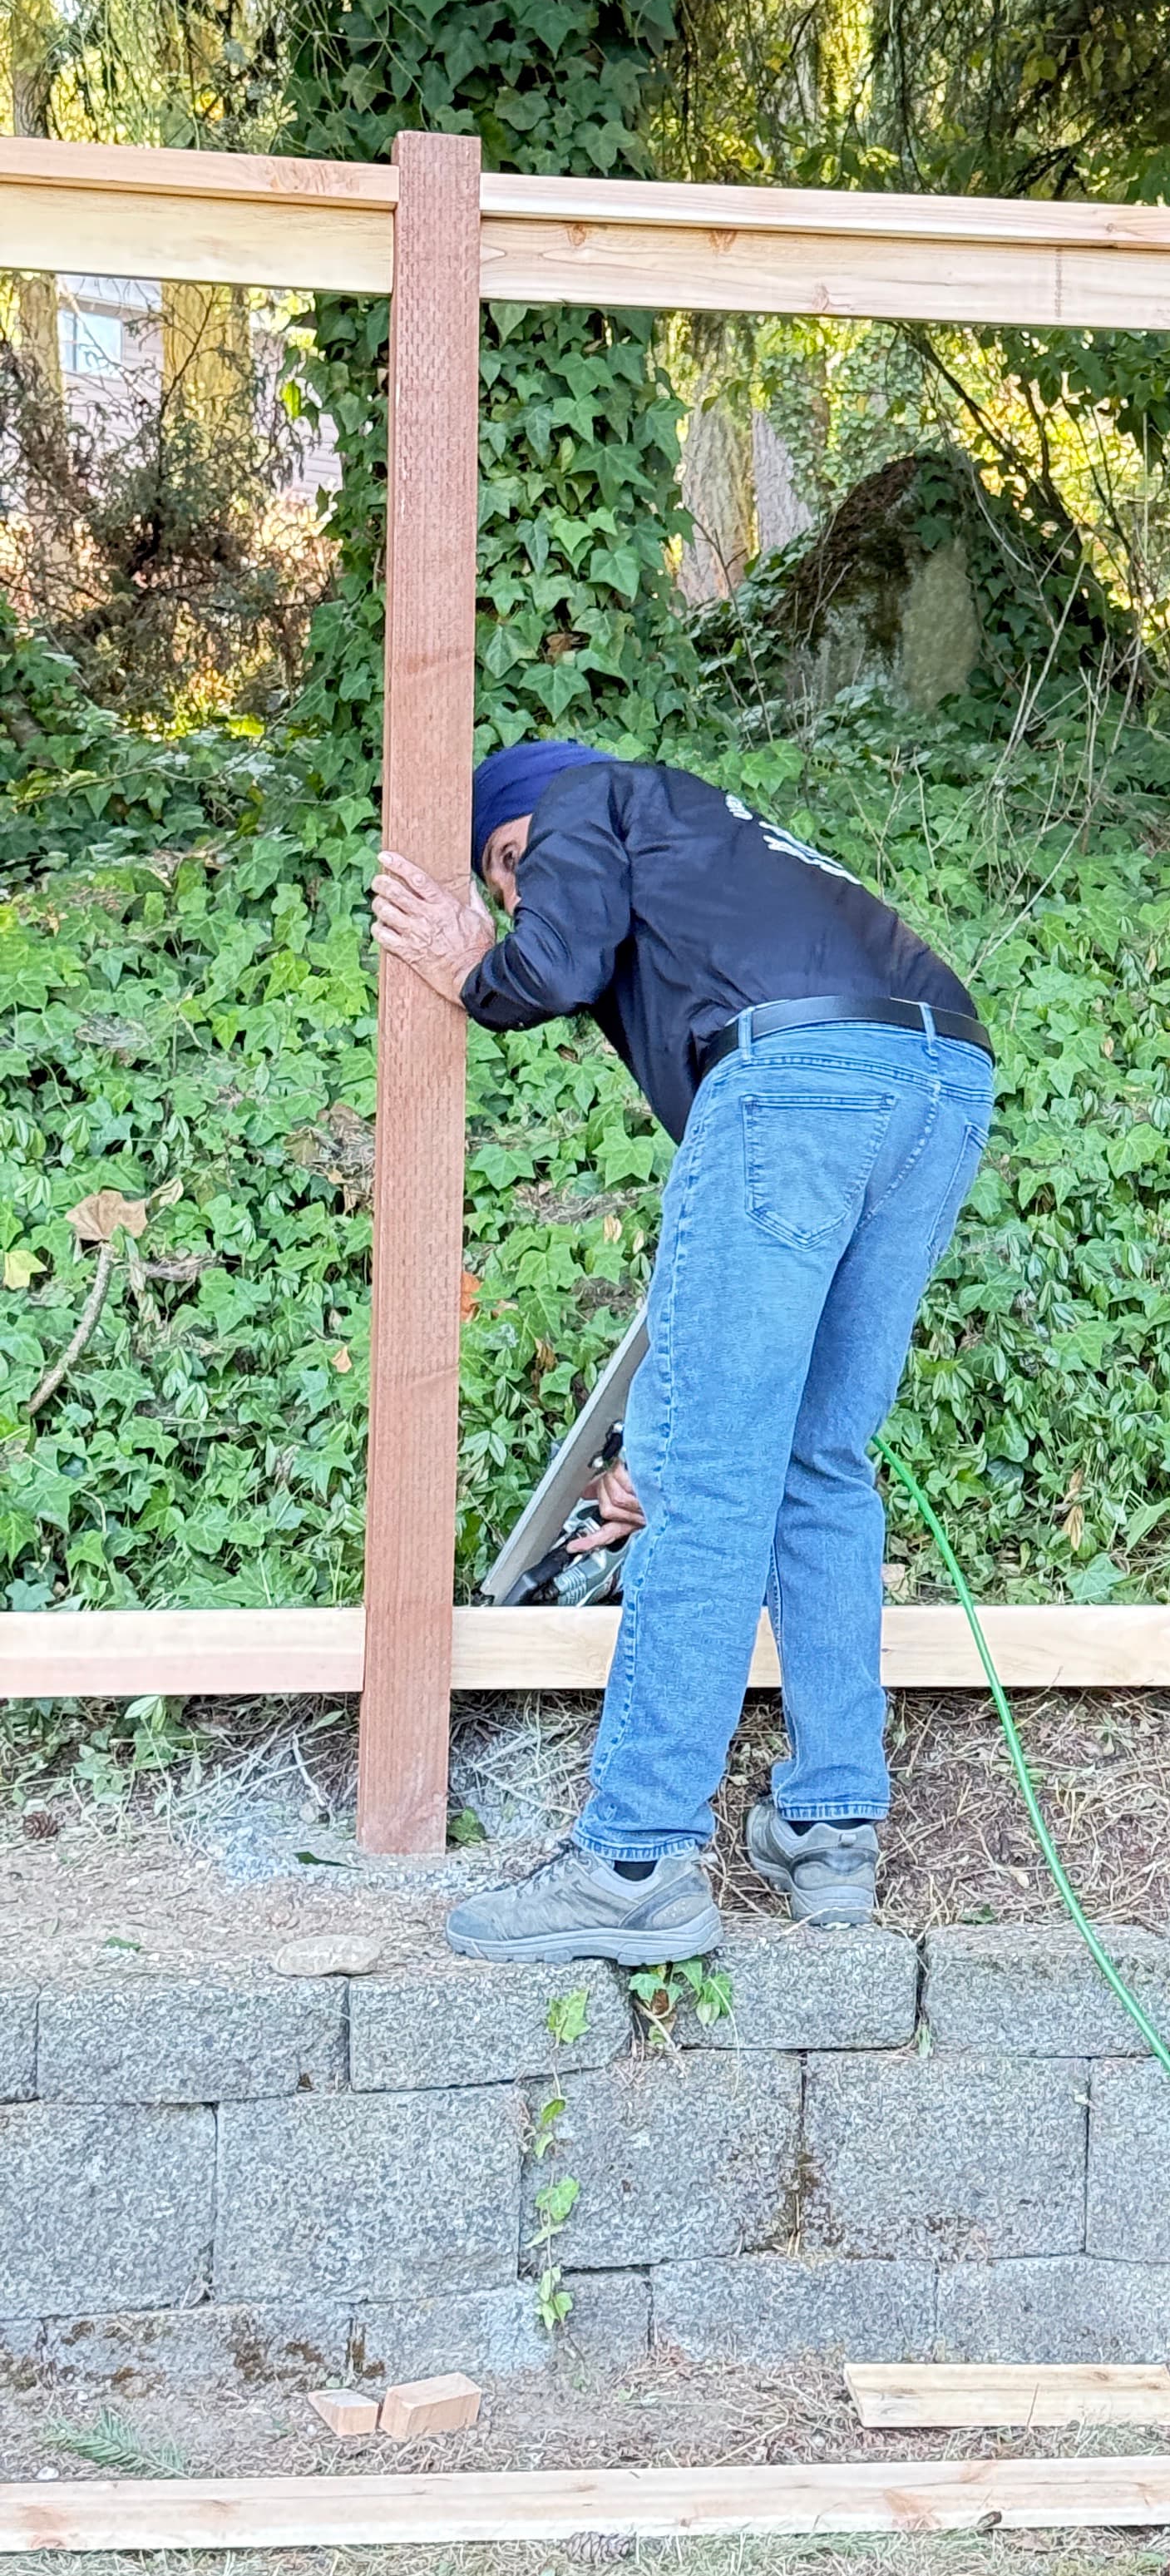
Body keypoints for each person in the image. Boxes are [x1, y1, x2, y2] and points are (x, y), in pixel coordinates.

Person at [370, 739, 992, 1964]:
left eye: (509, 863)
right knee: (820, 1463)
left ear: (534, 816)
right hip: (943, 1079)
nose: (516, 890)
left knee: (704, 1481)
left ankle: (634, 1863)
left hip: (798, 1078)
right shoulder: (724, 840)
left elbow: (550, 961)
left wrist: (473, 966)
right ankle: (831, 1829)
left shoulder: (585, 797)